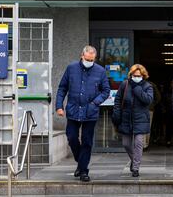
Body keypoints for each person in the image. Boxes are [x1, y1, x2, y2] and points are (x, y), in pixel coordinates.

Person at [56, 45, 110, 182]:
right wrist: (59, 106)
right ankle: (81, 163)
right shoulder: (71, 68)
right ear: (82, 56)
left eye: (92, 60)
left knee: (87, 141)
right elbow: (62, 88)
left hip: (90, 112)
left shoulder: (100, 71)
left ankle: (83, 171)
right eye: (87, 59)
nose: (89, 62)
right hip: (73, 110)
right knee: (72, 137)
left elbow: (105, 91)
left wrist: (95, 103)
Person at [112, 64, 153, 177]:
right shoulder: (124, 85)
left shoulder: (147, 86)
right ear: (131, 75)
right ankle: (134, 160)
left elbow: (148, 100)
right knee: (126, 143)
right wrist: (116, 113)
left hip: (140, 119)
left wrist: (137, 88)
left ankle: (135, 168)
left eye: (139, 75)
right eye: (134, 75)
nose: (136, 77)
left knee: (139, 143)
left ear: (143, 76)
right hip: (126, 118)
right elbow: (118, 100)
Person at [143, 80, 161, 150]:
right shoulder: (151, 84)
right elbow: (158, 97)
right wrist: (152, 104)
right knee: (147, 126)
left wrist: (152, 104)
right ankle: (144, 145)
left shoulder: (150, 84)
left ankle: (143, 145)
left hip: (145, 108)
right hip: (149, 108)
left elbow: (158, 97)